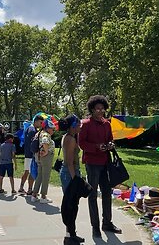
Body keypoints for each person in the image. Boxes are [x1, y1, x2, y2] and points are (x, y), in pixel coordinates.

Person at [78, 95, 121, 238]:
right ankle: (95, 227)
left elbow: (110, 139)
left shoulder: (107, 124)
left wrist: (110, 145)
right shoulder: (85, 124)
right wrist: (97, 147)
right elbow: (81, 143)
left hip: (105, 162)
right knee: (92, 195)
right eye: (97, 109)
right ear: (92, 109)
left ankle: (107, 223)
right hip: (92, 163)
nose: (100, 111)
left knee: (107, 193)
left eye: (102, 109)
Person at [59, 114, 85, 244]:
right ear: (73, 126)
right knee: (71, 205)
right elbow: (69, 162)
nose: (80, 126)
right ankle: (69, 237)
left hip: (71, 173)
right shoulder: (70, 139)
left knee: (73, 205)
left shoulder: (70, 137)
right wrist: (76, 180)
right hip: (70, 174)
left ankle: (71, 234)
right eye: (78, 124)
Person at [31, 119, 56, 204]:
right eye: (52, 129)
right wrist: (45, 151)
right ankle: (43, 196)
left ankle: (34, 195)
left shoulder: (39, 133)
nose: (53, 130)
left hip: (39, 157)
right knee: (46, 177)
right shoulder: (45, 134)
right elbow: (45, 142)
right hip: (46, 157)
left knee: (40, 176)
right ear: (47, 128)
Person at [19, 115, 44, 195]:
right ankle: (30, 189)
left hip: (27, 153)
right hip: (31, 154)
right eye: (40, 122)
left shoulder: (29, 128)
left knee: (26, 171)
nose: (41, 124)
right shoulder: (33, 130)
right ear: (36, 121)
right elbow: (33, 143)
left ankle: (21, 187)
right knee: (32, 172)